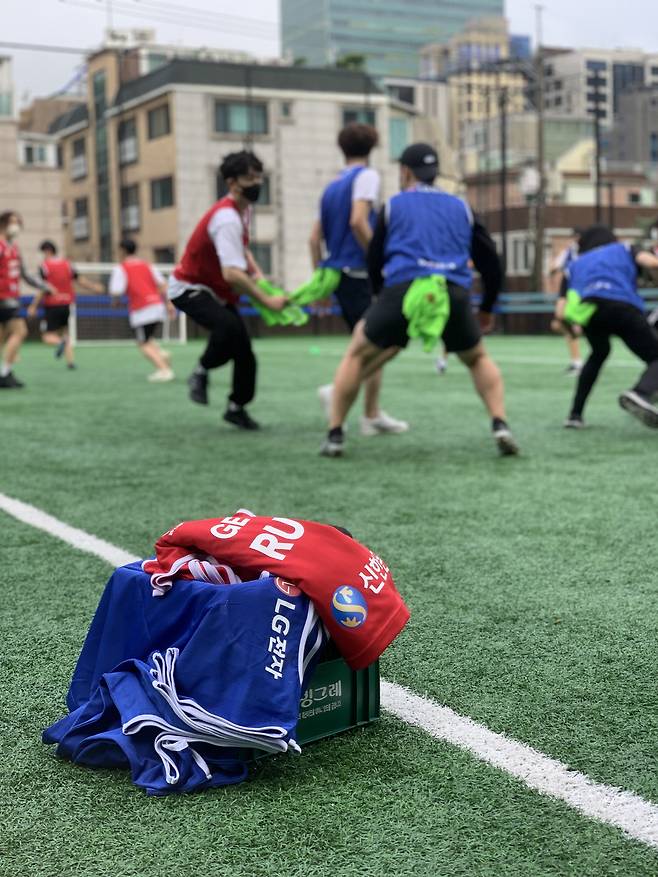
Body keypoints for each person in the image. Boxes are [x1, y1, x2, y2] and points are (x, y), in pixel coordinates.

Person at [320, 142, 518, 458]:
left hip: (403, 289)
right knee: (477, 357)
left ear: (406, 172)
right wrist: (487, 308)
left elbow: (374, 257)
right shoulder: (462, 207)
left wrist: (380, 297)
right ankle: (500, 423)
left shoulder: (394, 205)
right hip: (450, 292)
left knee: (357, 353)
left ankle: (335, 435)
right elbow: (491, 262)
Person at [168, 150, 287, 430]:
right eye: (250, 178)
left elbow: (240, 252)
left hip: (217, 291)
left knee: (245, 354)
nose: (257, 183)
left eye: (259, 177)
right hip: (189, 287)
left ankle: (237, 407)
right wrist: (268, 300)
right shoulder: (227, 219)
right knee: (229, 329)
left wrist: (256, 272)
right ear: (232, 183)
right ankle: (201, 370)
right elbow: (231, 273)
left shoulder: (242, 211)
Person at [309, 123, 407, 436]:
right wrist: (379, 261)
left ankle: (369, 413)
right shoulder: (367, 177)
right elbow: (358, 221)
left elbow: (314, 239)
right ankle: (348, 398)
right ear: (373, 146)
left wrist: (321, 283)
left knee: (369, 342)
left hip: (338, 275)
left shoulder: (331, 187)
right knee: (383, 341)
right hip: (360, 274)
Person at [563, 225, 658, 429]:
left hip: (590, 311)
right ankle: (640, 393)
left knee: (598, 352)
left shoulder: (576, 264)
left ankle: (575, 414)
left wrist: (572, 329)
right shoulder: (624, 248)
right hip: (621, 306)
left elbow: (561, 309)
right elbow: (650, 262)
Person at [27, 240, 103, 370]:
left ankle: (60, 343)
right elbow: (80, 280)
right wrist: (94, 287)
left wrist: (33, 306)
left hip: (52, 305)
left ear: (47, 251)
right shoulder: (67, 264)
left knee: (47, 337)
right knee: (65, 333)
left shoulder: (45, 266)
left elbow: (43, 288)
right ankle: (70, 362)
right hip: (66, 304)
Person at [0, 211, 55, 389]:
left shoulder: (14, 248)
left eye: (18, 222)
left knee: (3, 337)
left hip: (11, 297)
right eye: (12, 222)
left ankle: (6, 372)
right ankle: (4, 373)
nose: (15, 226)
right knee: (20, 331)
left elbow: (25, 274)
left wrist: (45, 286)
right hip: (3, 298)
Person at [109, 239, 175, 382]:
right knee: (147, 337)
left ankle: (164, 370)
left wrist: (115, 302)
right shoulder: (148, 265)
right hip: (157, 306)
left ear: (122, 250)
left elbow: (116, 291)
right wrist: (169, 304)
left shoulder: (121, 268)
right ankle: (161, 354)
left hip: (141, 310)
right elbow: (163, 285)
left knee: (142, 343)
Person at [549, 232, 583, 375]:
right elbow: (553, 269)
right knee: (558, 324)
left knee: (565, 323)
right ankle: (577, 362)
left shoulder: (586, 253)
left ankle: (577, 363)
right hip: (568, 288)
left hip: (580, 289)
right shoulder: (568, 252)